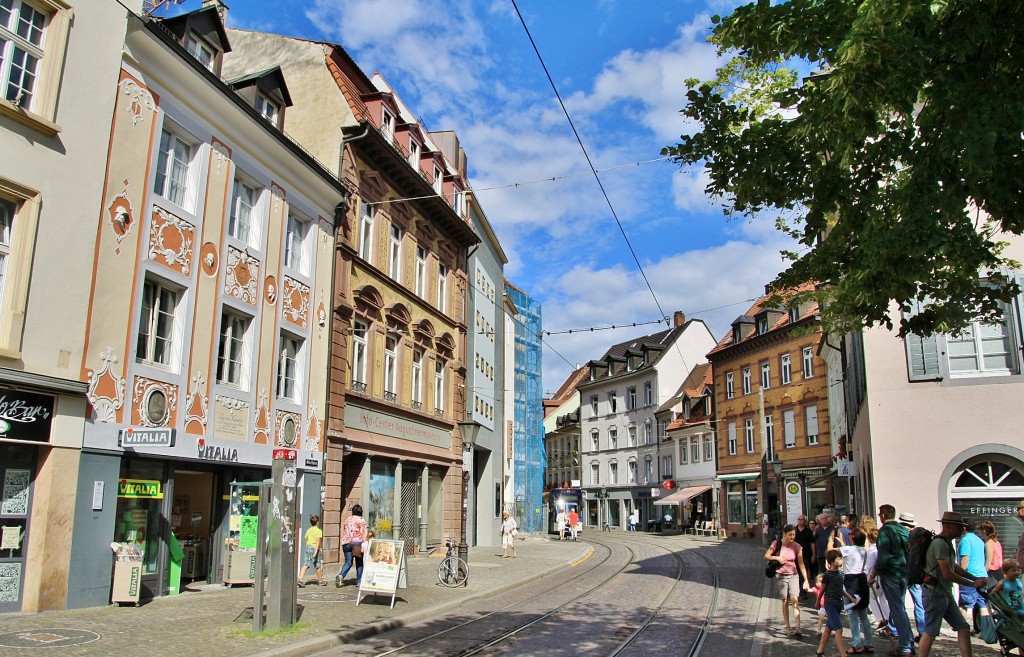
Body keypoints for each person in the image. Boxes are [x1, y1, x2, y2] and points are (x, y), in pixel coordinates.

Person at [917, 512, 988, 657]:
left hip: (944, 593)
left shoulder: (947, 543)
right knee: (931, 631)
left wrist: (974, 578)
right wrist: (972, 583)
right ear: (949, 526)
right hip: (934, 593)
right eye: (959, 527)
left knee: (963, 627)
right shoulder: (940, 543)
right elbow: (947, 573)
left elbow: (953, 567)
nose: (962, 530)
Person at [868, 504, 913, 657]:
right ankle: (909, 641)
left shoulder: (885, 531)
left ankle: (905, 646)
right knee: (900, 608)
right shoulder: (903, 529)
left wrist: (873, 575)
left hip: (891, 573)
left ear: (882, 516)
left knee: (897, 609)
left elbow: (883, 557)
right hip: (904, 573)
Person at [831, 529, 874, 654]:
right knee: (863, 614)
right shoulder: (863, 551)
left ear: (853, 538)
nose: (849, 535)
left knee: (852, 614)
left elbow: (832, 551)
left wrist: (830, 540)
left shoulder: (848, 550)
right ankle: (869, 643)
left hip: (850, 581)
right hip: (862, 580)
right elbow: (850, 551)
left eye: (850, 534)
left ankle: (856, 644)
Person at [764, 523, 812, 637]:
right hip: (781, 576)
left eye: (794, 535)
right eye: (790, 535)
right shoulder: (777, 543)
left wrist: (806, 579)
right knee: (785, 601)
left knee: (795, 599)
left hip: (794, 575)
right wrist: (777, 558)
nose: (792, 537)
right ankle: (787, 626)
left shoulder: (797, 546)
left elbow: (801, 564)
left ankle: (798, 627)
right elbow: (766, 556)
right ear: (784, 534)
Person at [815, 549, 856, 657]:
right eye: (839, 559)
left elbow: (840, 589)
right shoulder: (827, 575)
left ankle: (820, 651)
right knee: (839, 629)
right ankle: (843, 654)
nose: (841, 561)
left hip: (838, 604)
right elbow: (822, 590)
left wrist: (850, 598)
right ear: (832, 562)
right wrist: (818, 602)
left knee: (828, 628)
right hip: (830, 604)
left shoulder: (841, 574)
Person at [897, 511, 926, 642]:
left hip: (903, 573)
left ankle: (897, 631)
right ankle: (922, 631)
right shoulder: (917, 538)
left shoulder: (899, 536)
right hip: (915, 574)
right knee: (919, 603)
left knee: (899, 603)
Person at [956, 518, 988, 633]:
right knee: (982, 604)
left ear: (964, 528)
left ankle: (959, 629)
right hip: (982, 575)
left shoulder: (965, 540)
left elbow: (965, 558)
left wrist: (960, 576)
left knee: (964, 604)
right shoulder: (979, 540)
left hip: (970, 576)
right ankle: (986, 630)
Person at [335, 504, 367, 587]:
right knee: (359, 562)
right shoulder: (361, 520)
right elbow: (364, 533)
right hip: (357, 543)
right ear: (360, 511)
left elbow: (344, 531)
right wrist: (365, 543)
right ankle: (359, 581)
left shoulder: (347, 520)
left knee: (348, 562)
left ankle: (341, 575)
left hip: (346, 543)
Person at [297, 514, 325, 587]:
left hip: (308, 547)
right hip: (314, 548)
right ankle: (320, 580)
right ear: (317, 522)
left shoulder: (309, 530)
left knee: (306, 564)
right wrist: (315, 551)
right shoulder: (318, 531)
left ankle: (300, 579)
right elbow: (318, 542)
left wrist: (308, 544)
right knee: (317, 565)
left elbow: (305, 538)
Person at [795, 514, 816, 592]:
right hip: (795, 555)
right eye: (799, 519)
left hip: (806, 555)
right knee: (795, 573)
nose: (800, 521)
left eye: (802, 519)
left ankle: (803, 591)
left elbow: (812, 543)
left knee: (804, 573)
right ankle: (796, 590)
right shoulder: (794, 530)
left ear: (805, 521)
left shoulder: (808, 531)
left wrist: (814, 554)